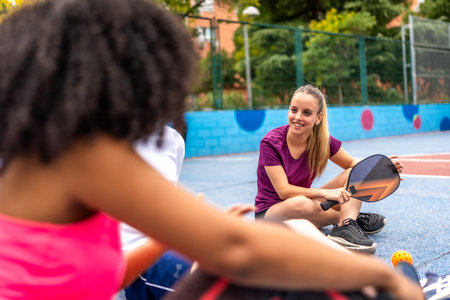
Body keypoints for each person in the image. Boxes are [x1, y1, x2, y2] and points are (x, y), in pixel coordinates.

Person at [0, 0, 422, 299]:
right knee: (280, 244)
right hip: (282, 214)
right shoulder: (83, 156)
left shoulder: (35, 165)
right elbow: (236, 248)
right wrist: (385, 278)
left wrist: (164, 238)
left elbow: (86, 277)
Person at [254, 84, 404, 254]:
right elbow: (284, 191)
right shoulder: (271, 143)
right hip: (271, 213)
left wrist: (381, 167)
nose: (297, 117)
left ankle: (345, 228)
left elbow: (351, 163)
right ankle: (349, 219)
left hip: (305, 202)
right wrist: (324, 193)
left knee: (356, 173)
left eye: (306, 113)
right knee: (302, 203)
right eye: (294, 110)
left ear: (318, 118)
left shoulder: (322, 140)